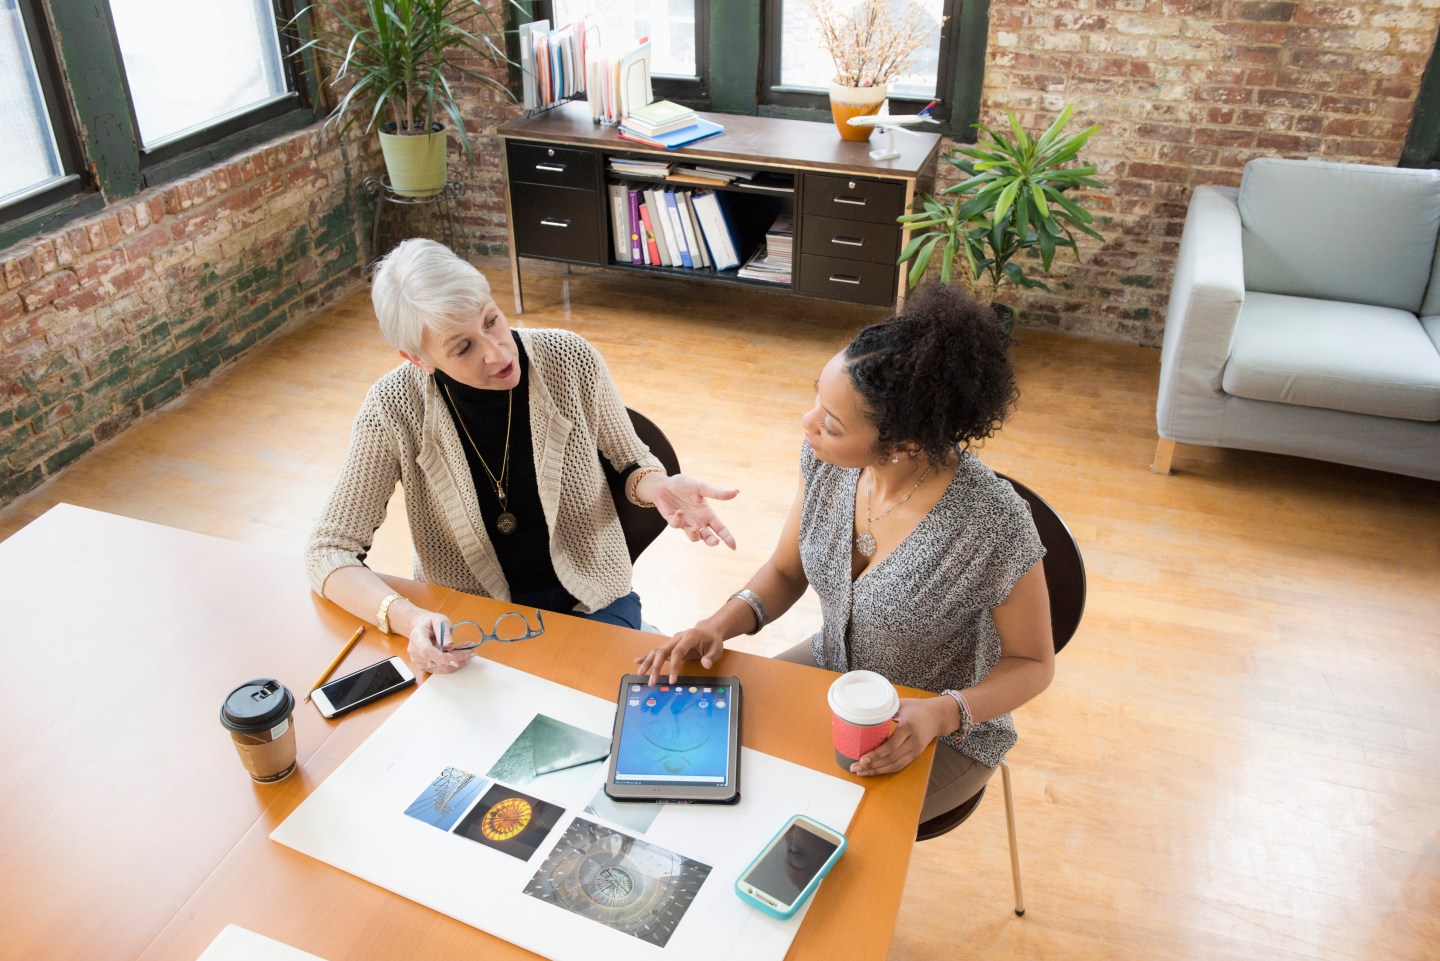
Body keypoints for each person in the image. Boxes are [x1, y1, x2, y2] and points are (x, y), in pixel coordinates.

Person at [636, 282, 1055, 822]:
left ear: (903, 444)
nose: (807, 424)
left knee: (797, 815)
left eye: (831, 424)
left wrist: (942, 714)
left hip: (940, 723)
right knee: (714, 749)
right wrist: (718, 623)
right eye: (817, 399)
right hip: (836, 671)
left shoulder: (991, 524)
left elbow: (1034, 664)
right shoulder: (829, 464)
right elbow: (786, 572)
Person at [307, 239, 737, 675]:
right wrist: (410, 618)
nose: (497, 351)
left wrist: (660, 486)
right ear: (419, 359)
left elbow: (631, 462)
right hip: (469, 620)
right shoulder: (392, 408)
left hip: (594, 601)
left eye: (491, 320)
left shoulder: (570, 358)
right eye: (463, 348)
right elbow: (328, 551)